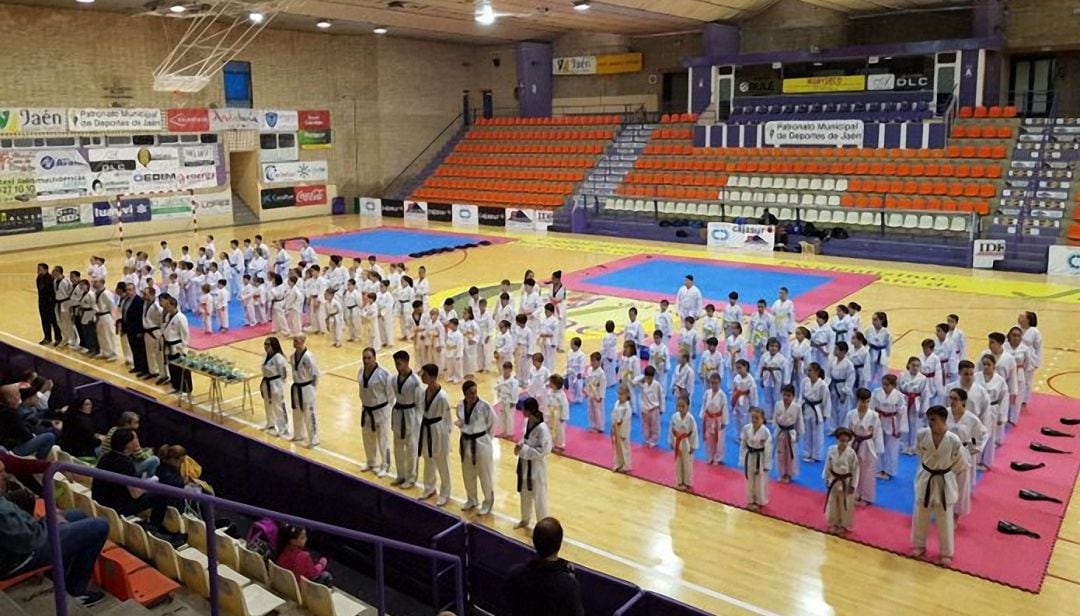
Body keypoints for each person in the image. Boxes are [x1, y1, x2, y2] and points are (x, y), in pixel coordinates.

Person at [0, 457, 109, 607]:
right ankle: (77, 591)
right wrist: (51, 524)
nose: (6, 475)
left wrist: (49, 522)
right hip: (20, 557)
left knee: (78, 514)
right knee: (99, 526)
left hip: (23, 541)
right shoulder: (2, 513)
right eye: (1, 472)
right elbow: (31, 540)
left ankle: (56, 574)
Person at [912, 405, 967, 566]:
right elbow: (919, 453)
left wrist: (946, 471)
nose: (930, 422)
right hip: (926, 476)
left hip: (944, 479)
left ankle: (946, 553)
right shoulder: (922, 434)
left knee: (944, 519)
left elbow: (960, 463)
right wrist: (930, 466)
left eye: (933, 419)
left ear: (943, 420)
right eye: (929, 419)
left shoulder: (953, 440)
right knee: (921, 514)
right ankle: (919, 545)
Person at [503, 517, 585, 616]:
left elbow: (507, 605)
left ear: (534, 542)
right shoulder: (569, 586)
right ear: (559, 544)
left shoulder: (515, 574)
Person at [92, 429, 167, 528]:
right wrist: (149, 485)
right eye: (135, 438)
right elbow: (135, 494)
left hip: (100, 502)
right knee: (160, 494)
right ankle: (153, 527)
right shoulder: (126, 463)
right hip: (117, 506)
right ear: (128, 444)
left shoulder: (105, 457)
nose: (137, 440)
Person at [946, 388, 987, 518]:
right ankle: (944, 509)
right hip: (945, 452)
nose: (952, 401)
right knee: (944, 482)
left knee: (960, 485)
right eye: (950, 398)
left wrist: (969, 449)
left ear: (963, 401)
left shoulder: (971, 418)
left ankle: (956, 515)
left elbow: (982, 435)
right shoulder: (945, 413)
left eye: (955, 399)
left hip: (962, 454)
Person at [457, 380, 495, 515]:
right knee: (468, 473)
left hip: (481, 442)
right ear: (465, 394)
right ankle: (471, 499)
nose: (473, 395)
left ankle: (488, 502)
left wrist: (486, 439)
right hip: (466, 442)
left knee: (485, 474)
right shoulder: (460, 406)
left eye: (475, 392)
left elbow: (493, 424)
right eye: (470, 393)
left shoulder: (485, 406)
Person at [418, 363, 453, 507]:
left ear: (432, 377)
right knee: (428, 459)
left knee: (442, 462)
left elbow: (448, 420)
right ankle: (429, 487)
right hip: (427, 428)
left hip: (439, 431)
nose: (422, 376)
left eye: (424, 374)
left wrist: (445, 438)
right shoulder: (424, 392)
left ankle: (445, 493)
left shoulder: (442, 397)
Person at [514, 398, 552, 530]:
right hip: (525, 465)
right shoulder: (527, 421)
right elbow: (525, 439)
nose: (522, 411)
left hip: (536, 467)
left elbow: (544, 451)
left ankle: (543, 526)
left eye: (523, 409)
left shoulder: (542, 428)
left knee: (539, 497)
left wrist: (524, 450)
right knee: (525, 494)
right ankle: (525, 519)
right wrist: (519, 445)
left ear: (529, 410)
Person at [357, 348, 393, 476]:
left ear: (375, 358)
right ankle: (371, 461)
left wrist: (387, 410)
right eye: (364, 358)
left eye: (369, 358)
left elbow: (391, 394)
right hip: (366, 410)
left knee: (383, 439)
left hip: (381, 411)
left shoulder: (384, 374)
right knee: (367, 438)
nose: (366, 361)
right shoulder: (361, 372)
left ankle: (386, 465)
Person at [846, 388, 883, 505]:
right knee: (853, 470)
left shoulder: (874, 416)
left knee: (867, 472)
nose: (865, 404)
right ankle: (854, 494)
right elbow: (847, 431)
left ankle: (866, 497)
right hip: (854, 442)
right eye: (862, 401)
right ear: (857, 400)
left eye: (867, 401)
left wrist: (878, 450)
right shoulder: (851, 414)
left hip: (868, 445)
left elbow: (877, 433)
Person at [391, 351, 423, 488]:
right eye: (395, 364)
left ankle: (411, 477)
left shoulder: (415, 381)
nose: (397, 366)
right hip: (398, 413)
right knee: (398, 447)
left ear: (406, 362)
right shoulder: (393, 379)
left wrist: (418, 421)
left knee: (411, 448)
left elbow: (420, 403)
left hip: (411, 415)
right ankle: (401, 475)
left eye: (399, 363)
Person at [0, 385, 55, 459]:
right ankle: (40, 463)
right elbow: (26, 436)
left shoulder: (7, 411)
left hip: (6, 446)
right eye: (17, 394)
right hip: (11, 450)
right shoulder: (11, 413)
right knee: (49, 436)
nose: (19, 396)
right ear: (10, 398)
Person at [823, 427, 859, 534]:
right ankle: (834, 523)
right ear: (837, 439)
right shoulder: (831, 450)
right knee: (833, 503)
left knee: (845, 505)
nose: (843, 443)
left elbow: (856, 470)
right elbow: (828, 465)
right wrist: (827, 478)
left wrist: (853, 485)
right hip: (834, 480)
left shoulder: (851, 453)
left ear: (849, 441)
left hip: (846, 482)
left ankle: (843, 525)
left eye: (845, 441)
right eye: (841, 440)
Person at [872, 374, 907, 480]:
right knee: (878, 445)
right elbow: (872, 408)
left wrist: (901, 428)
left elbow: (902, 412)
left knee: (892, 448)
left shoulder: (899, 396)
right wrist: (871, 423)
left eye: (887, 385)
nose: (884, 386)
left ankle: (889, 471)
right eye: (883, 384)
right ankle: (877, 469)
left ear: (893, 385)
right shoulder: (876, 392)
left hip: (893, 422)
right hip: (879, 420)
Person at [290, 335, 320, 448]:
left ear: (303, 341)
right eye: (293, 340)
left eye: (296, 340)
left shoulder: (309, 357)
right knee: (296, 412)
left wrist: (313, 389)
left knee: (309, 413)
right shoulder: (292, 357)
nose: (294, 342)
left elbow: (316, 374)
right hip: (296, 387)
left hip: (307, 387)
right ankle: (298, 434)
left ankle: (314, 438)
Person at [740, 407, 772, 511]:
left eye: (757, 418)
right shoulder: (746, 428)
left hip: (760, 459)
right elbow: (743, 443)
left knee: (759, 481)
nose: (754, 420)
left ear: (762, 419)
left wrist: (767, 464)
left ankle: (759, 501)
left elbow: (768, 449)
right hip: (749, 456)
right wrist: (742, 458)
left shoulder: (765, 432)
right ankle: (750, 500)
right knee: (749, 480)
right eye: (753, 417)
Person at [160, 295, 192, 394]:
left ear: (173, 305)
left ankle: (186, 389)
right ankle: (176, 386)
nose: (166, 308)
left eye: (168, 306)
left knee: (181, 369)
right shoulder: (168, 316)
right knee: (172, 368)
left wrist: (184, 349)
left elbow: (185, 334)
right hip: (169, 345)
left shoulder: (181, 317)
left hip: (178, 347)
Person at [260, 337, 290, 437]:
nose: (266, 347)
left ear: (274, 345)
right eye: (265, 344)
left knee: (278, 406)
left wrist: (280, 383)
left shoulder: (279, 357)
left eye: (268, 344)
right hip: (266, 382)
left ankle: (283, 428)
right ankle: (270, 424)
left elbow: (284, 372)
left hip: (276, 383)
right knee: (267, 405)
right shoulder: (266, 356)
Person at [800, 362, 830, 463]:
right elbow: (801, 396)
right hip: (807, 407)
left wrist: (825, 414)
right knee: (807, 431)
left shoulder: (823, 385)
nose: (808, 372)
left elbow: (826, 400)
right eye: (807, 370)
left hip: (817, 410)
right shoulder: (805, 381)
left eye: (810, 370)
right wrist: (800, 407)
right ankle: (808, 452)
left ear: (817, 372)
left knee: (817, 433)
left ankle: (816, 455)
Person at [773, 384, 802, 482]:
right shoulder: (778, 404)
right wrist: (775, 430)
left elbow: (799, 422)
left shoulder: (797, 407)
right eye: (784, 395)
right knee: (780, 453)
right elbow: (775, 419)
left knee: (790, 454)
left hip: (790, 432)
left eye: (788, 395)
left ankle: (789, 474)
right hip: (780, 431)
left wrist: (799, 433)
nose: (786, 397)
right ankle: (782, 473)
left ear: (793, 396)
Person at [670, 395, 698, 491]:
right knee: (678, 463)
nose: (680, 408)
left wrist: (693, 445)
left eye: (683, 406)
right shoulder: (674, 417)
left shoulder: (691, 419)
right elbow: (672, 430)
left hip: (687, 444)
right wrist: (671, 441)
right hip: (677, 442)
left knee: (687, 463)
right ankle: (679, 481)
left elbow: (694, 432)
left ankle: (687, 482)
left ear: (688, 407)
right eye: (679, 406)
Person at [701, 372, 729, 465]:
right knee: (709, 438)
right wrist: (702, 415)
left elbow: (725, 409)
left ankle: (717, 458)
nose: (714, 385)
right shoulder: (707, 393)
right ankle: (710, 456)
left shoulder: (722, 395)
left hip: (718, 419)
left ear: (720, 383)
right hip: (709, 417)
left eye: (716, 383)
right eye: (712, 383)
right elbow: (704, 404)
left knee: (719, 440)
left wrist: (724, 422)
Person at [637, 366, 664, 448]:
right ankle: (647, 439)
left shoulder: (657, 385)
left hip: (654, 409)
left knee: (655, 426)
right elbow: (634, 381)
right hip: (645, 409)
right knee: (645, 425)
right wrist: (642, 378)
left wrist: (661, 408)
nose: (649, 379)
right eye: (647, 377)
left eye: (650, 377)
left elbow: (661, 397)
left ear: (653, 376)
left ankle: (653, 440)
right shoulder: (643, 384)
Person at [141, 286, 163, 381]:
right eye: (144, 294)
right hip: (147, 331)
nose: (144, 296)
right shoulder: (145, 304)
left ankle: (162, 374)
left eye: (146, 294)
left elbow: (162, 320)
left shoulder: (157, 307)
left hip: (155, 332)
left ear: (153, 294)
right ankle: (152, 371)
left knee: (158, 354)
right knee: (149, 353)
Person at [36, 263, 61, 345]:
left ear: (46, 270)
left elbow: (53, 292)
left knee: (53, 321)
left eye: (40, 269)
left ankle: (58, 338)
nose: (38, 270)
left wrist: (52, 303)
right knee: (44, 321)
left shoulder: (50, 279)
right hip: (42, 303)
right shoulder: (39, 278)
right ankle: (47, 337)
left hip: (50, 304)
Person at [494, 361, 519, 438]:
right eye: (504, 369)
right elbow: (497, 389)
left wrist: (513, 401)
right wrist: (498, 398)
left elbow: (515, 392)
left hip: (509, 400)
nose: (506, 371)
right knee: (502, 416)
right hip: (502, 399)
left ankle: (510, 433)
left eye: (507, 370)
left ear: (511, 370)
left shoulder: (514, 381)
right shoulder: (500, 379)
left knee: (509, 416)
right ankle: (503, 431)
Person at [611, 385, 632, 473]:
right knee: (617, 448)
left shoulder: (627, 408)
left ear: (627, 395)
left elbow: (626, 421)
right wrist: (613, 426)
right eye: (619, 394)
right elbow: (613, 415)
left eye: (622, 394)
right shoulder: (617, 403)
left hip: (623, 431)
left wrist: (623, 433)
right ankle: (618, 464)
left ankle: (626, 466)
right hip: (616, 429)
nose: (620, 396)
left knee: (625, 449)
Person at [546, 375, 569, 452]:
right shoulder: (549, 391)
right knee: (549, 428)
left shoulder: (561, 395)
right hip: (550, 412)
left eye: (551, 383)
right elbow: (547, 401)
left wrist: (564, 416)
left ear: (556, 385)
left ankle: (560, 444)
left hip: (558, 414)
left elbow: (565, 406)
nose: (549, 384)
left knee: (559, 430)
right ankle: (550, 444)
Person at [584, 352, 606, 433]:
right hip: (590, 392)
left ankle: (600, 427)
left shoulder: (601, 373)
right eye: (591, 361)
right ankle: (593, 425)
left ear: (599, 361)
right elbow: (587, 380)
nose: (592, 363)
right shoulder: (589, 370)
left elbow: (603, 385)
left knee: (598, 411)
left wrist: (601, 396)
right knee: (591, 410)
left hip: (597, 394)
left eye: (594, 361)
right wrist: (586, 390)